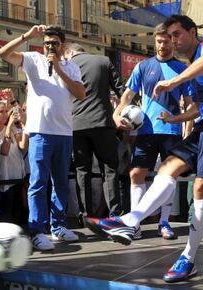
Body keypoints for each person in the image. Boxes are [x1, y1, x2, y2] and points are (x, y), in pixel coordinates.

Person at [85, 15, 203, 282]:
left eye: (177, 35)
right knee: (168, 168)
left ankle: (188, 257)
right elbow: (196, 107)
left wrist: (173, 82)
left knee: (201, 188)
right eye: (169, 36)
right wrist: (175, 119)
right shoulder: (188, 68)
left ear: (192, 32)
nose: (173, 41)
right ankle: (130, 222)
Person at [0, 25, 85, 251]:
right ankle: (37, 231)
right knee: (37, 183)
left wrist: (58, 67)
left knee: (61, 184)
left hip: (64, 133)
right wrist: (27, 36)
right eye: (47, 43)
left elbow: (80, 94)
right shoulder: (33, 59)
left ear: (62, 45)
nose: (50, 46)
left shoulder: (72, 67)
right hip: (39, 132)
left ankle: (58, 227)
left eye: (55, 43)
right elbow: (2, 54)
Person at [110, 23, 196, 240]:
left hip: (172, 130)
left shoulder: (182, 69)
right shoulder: (143, 66)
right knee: (136, 173)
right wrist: (118, 112)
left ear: (172, 42)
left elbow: (189, 102)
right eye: (158, 41)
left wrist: (188, 129)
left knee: (167, 177)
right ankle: (135, 224)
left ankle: (164, 222)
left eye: (166, 41)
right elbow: (128, 95)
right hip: (146, 130)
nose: (162, 45)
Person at [63, 42, 124, 219]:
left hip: (76, 125)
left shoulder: (65, 66)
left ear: (69, 53)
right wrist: (122, 113)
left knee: (82, 171)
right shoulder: (104, 61)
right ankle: (115, 213)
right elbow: (121, 90)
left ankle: (85, 215)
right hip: (103, 123)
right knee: (110, 169)